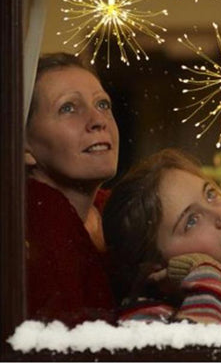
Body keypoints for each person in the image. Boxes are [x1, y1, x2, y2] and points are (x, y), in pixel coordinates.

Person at [102, 148, 221, 326]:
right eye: (191, 221)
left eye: (211, 194)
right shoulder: (145, 323)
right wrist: (208, 281)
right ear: (156, 264)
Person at [25, 52, 119, 325]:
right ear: (24, 146)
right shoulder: (32, 229)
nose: (97, 120)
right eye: (68, 108)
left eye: (103, 104)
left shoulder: (117, 213)